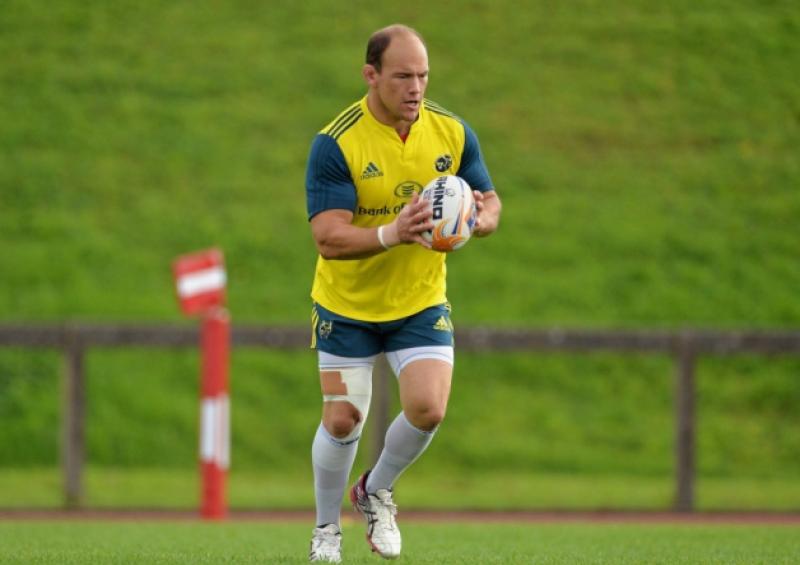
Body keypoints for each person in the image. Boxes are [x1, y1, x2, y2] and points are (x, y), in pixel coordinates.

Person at [305, 24, 501, 563]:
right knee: (343, 418)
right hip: (347, 308)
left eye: (423, 76)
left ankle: (375, 490)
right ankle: (326, 531)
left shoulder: (451, 132)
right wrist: (394, 231)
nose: (415, 87)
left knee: (428, 408)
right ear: (371, 76)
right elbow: (328, 237)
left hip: (419, 302)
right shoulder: (337, 142)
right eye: (402, 77)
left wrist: (479, 220)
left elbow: (489, 198)